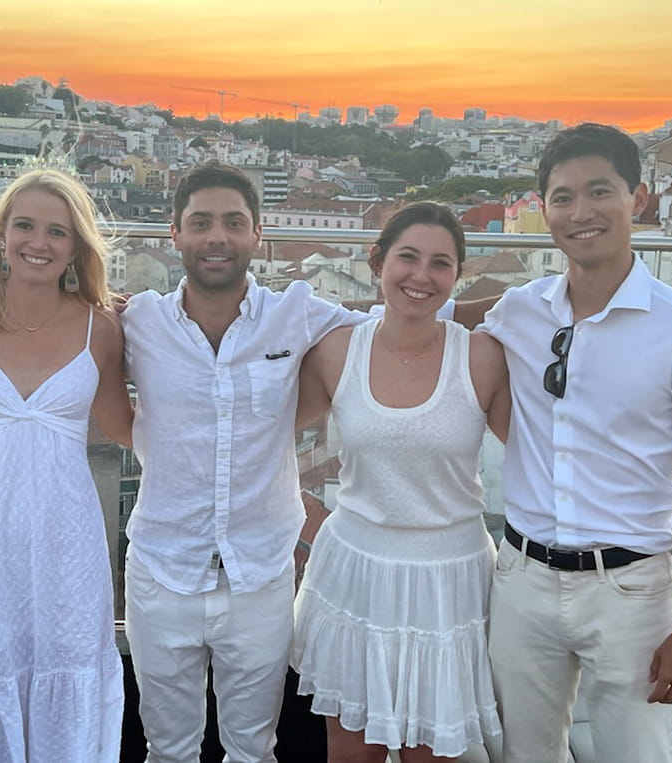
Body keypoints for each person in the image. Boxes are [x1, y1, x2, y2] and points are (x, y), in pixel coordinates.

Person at [121, 161, 487, 762]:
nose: (218, 236)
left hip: (260, 573)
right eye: (202, 222)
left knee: (253, 749)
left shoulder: (298, 313)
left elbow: (403, 319)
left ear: (257, 234)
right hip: (163, 569)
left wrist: (543, 305)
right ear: (175, 234)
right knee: (167, 749)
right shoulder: (137, 321)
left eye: (234, 222)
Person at [481, 123, 672, 762]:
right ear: (543, 209)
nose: (581, 213)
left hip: (629, 588)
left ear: (638, 198)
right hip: (521, 578)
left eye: (599, 191)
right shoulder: (518, 311)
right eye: (562, 197)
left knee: (636, 754)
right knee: (522, 754)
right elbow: (417, 327)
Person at [290, 202, 509, 762]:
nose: (420, 275)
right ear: (376, 262)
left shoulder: (482, 357)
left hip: (451, 581)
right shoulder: (337, 351)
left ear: (456, 277)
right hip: (356, 572)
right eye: (406, 257)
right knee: (351, 752)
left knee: (432, 754)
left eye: (440, 263)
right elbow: (264, 438)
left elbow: (541, 458)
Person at [0, 168, 132, 763]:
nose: (38, 242)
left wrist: (226, 430)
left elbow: (124, 429)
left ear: (76, 247)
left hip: (68, 538)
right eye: (24, 225)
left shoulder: (102, 329)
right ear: (0, 235)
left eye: (57, 231)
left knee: (68, 662)